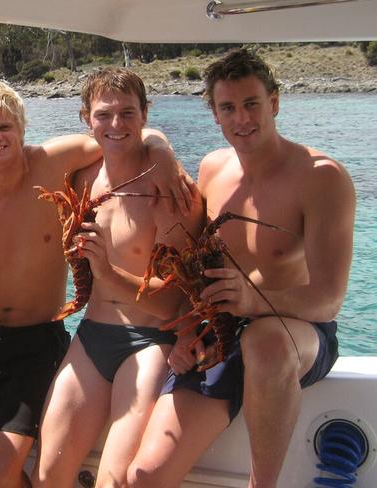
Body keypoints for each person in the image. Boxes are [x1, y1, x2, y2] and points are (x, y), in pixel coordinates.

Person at [0, 78, 192, 488]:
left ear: (22, 128)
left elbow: (121, 134)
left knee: (0, 470)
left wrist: (161, 153)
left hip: (36, 343)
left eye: (5, 126)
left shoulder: (56, 163)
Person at [127, 48, 355, 488]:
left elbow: (328, 301)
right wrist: (188, 332)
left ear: (274, 102)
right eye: (228, 107)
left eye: (252, 103)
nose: (241, 118)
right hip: (222, 329)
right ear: (214, 113)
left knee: (265, 345)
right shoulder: (212, 168)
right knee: (144, 476)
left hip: (295, 329)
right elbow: (198, 270)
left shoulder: (323, 177)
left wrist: (253, 299)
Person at [31, 68, 202, 488]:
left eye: (128, 113)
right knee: (47, 473)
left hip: (150, 342)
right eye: (103, 115)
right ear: (85, 118)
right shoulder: (79, 180)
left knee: (116, 481)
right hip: (91, 336)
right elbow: (13, 201)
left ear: (145, 113)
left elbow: (171, 303)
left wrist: (107, 270)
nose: (116, 125)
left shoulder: (171, 191)